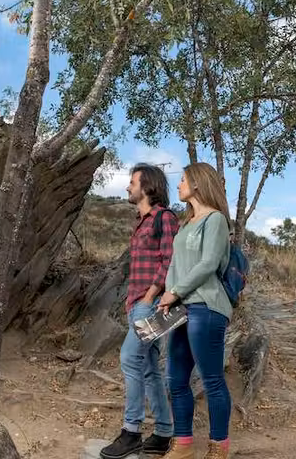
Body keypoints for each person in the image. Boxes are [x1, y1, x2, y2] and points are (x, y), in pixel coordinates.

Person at [100, 163, 179, 459]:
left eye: (132, 182)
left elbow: (170, 260)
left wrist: (148, 297)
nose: (127, 187)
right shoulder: (141, 222)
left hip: (152, 306)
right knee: (148, 368)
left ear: (147, 187)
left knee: (130, 357)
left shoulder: (164, 218)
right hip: (138, 305)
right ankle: (163, 433)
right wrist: (134, 302)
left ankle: (131, 431)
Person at [157, 162, 233, 459]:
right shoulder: (186, 223)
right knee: (176, 379)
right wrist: (168, 296)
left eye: (183, 180)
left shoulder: (215, 220)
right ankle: (183, 446)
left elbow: (209, 263)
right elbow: (175, 265)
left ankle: (218, 448)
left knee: (211, 379)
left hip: (206, 307)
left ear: (198, 183)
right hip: (181, 308)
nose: (178, 185)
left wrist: (175, 291)